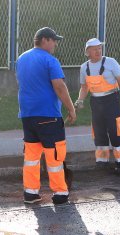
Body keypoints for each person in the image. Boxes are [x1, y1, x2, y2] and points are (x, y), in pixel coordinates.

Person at [16, 27, 77, 205]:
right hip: (49, 115)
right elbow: (59, 86)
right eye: (53, 40)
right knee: (55, 156)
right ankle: (59, 193)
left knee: (32, 157)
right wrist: (71, 109)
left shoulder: (21, 58)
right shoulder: (50, 60)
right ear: (44, 40)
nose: (55, 44)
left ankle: (30, 193)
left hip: (28, 115)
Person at [75, 38, 120, 173]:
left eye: (99, 48)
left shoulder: (111, 62)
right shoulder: (84, 67)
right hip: (95, 102)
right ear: (87, 52)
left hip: (111, 100)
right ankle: (102, 162)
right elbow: (84, 87)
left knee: (115, 132)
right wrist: (80, 100)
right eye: (94, 49)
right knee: (99, 132)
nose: (98, 51)